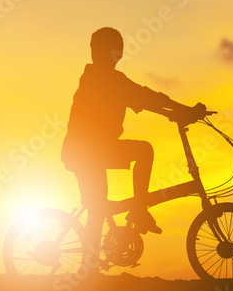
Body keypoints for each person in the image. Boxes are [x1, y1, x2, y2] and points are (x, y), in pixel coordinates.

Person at [61, 27, 204, 247]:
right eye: (116, 53)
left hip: (95, 150)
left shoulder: (105, 77)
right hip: (86, 152)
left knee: (100, 207)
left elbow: (146, 98)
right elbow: (146, 97)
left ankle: (137, 211)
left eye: (119, 54)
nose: (117, 58)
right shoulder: (103, 78)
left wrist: (177, 112)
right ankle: (138, 211)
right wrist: (183, 111)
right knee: (141, 155)